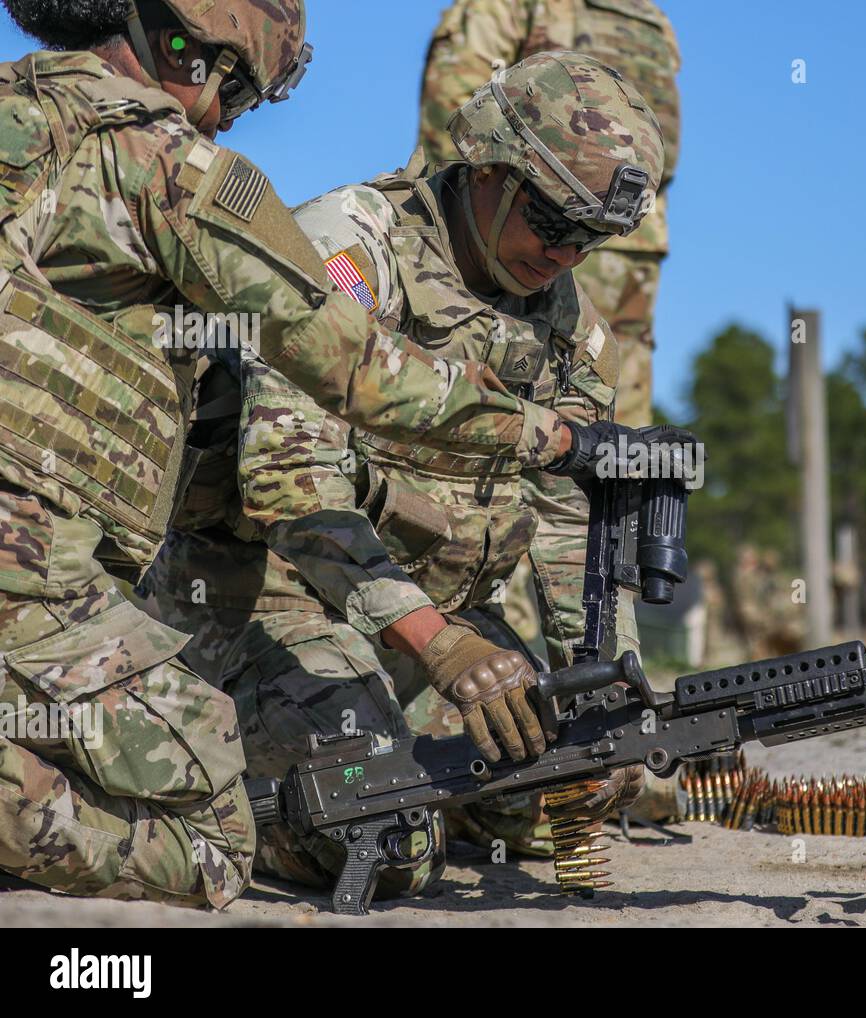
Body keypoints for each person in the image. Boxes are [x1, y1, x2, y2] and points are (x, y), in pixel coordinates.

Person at [0, 0, 597, 909]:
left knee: (514, 771)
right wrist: (543, 435)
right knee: (215, 833)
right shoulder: (171, 167)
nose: (227, 119)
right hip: (37, 580)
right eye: (239, 92)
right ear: (192, 52)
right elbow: (344, 356)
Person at [148, 50, 683, 893]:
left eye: (590, 237)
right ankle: (161, 789)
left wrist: (598, 685)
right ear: (488, 170)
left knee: (546, 798)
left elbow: (571, 519)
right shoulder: (348, 249)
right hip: (262, 605)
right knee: (378, 836)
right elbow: (290, 477)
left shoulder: (562, 324)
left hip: (428, 636)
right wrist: (441, 643)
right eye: (551, 222)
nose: (565, 255)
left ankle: (423, 763)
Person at [419, 0, 680, 429]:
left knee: (473, 395)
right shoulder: (648, 16)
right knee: (611, 431)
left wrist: (438, 218)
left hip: (526, 225)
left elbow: (455, 118)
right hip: (629, 244)